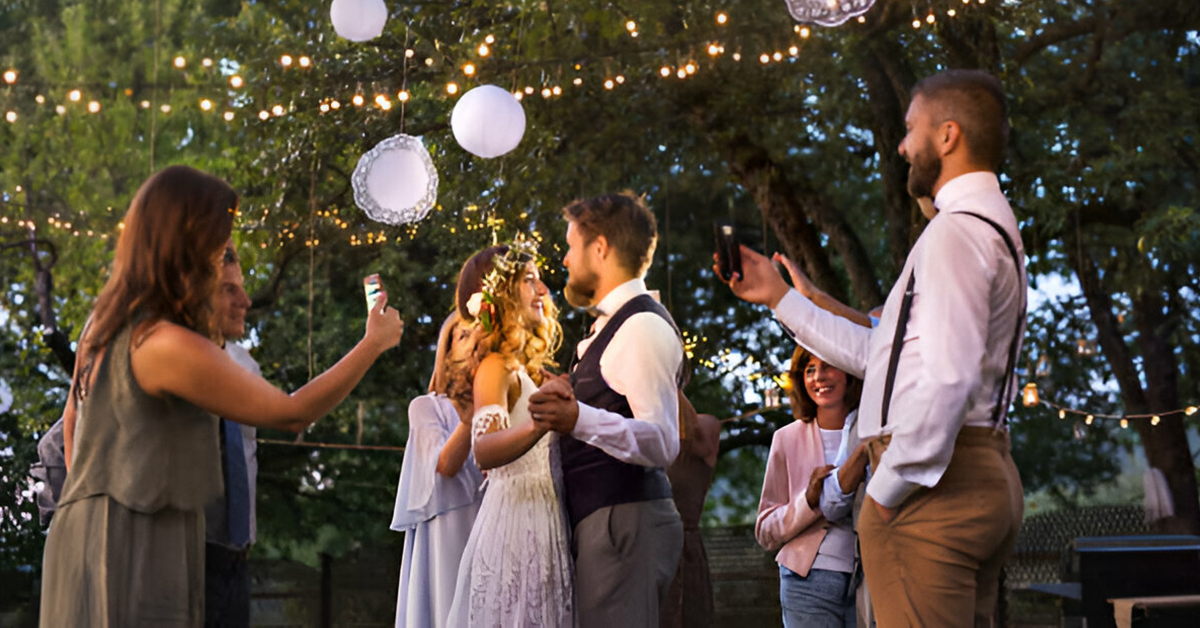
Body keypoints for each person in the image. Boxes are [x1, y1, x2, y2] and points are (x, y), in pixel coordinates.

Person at [722, 69, 1026, 627]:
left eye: (911, 129)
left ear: (948, 136)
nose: (903, 145)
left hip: (934, 485)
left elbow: (946, 380)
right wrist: (779, 299)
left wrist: (885, 493)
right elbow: (881, 358)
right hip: (975, 470)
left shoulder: (957, 233)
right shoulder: (990, 225)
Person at [40, 165, 403, 627]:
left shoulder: (106, 322)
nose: (221, 257)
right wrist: (372, 342)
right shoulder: (164, 342)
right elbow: (291, 413)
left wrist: (90, 501)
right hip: (135, 539)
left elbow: (74, 417)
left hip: (89, 531)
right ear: (188, 242)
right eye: (219, 243)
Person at [528, 192, 685, 628]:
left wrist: (577, 418)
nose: (564, 259)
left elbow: (662, 442)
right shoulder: (612, 327)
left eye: (571, 246)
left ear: (600, 249)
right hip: (607, 525)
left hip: (623, 524)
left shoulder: (641, 327)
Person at [445, 240, 572, 628]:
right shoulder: (495, 367)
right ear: (499, 293)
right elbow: (483, 451)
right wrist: (541, 421)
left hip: (545, 513)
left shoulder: (525, 369)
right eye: (530, 280)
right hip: (518, 521)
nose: (544, 290)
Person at [391, 311, 485, 628]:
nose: (473, 342)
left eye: (478, 334)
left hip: (492, 525)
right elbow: (443, 465)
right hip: (448, 532)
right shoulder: (427, 407)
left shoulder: (501, 400)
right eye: (462, 336)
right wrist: (470, 418)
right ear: (446, 353)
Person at [757, 346, 862, 628]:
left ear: (849, 371)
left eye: (828, 366)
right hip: (808, 578)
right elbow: (765, 531)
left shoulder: (871, 432)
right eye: (810, 369)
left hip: (871, 576)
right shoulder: (786, 439)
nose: (819, 377)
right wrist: (809, 501)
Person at [204, 245, 262, 628]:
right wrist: (370, 344)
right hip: (187, 554)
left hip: (238, 556)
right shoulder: (170, 360)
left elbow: (291, 411)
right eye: (229, 290)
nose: (246, 300)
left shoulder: (247, 365)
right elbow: (295, 415)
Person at [660, 394, 720, 628]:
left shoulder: (707, 425)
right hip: (642, 546)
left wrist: (662, 372)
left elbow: (695, 435)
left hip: (683, 552)